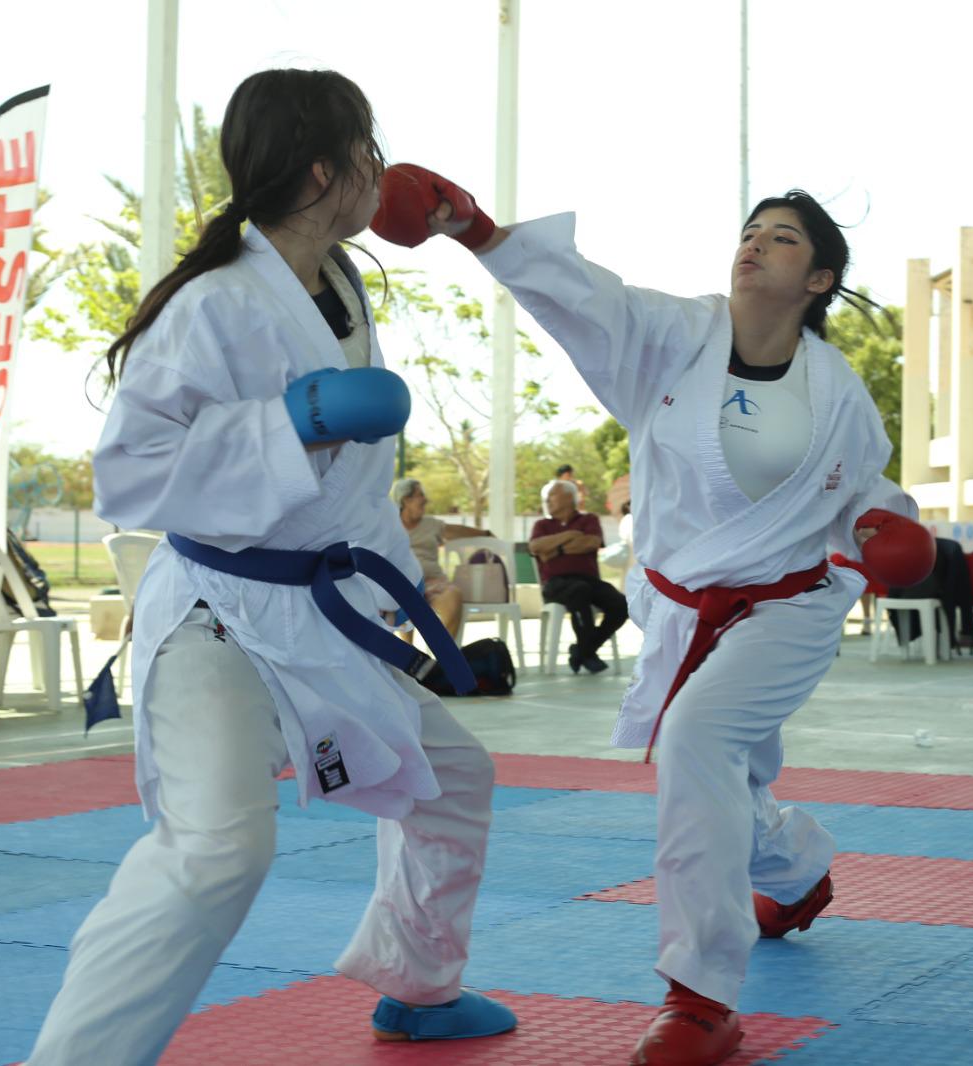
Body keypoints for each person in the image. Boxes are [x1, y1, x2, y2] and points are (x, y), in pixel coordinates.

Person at [373, 171, 933, 1065]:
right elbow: (590, 299)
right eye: (752, 229)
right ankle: (793, 875)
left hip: (789, 607)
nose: (756, 242)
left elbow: (865, 482)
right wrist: (478, 231)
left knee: (697, 744)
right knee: (728, 780)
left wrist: (885, 523)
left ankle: (701, 997)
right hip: (678, 607)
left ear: (819, 279)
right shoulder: (676, 339)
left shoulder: (839, 394)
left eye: (783, 237)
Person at [27, 71, 514, 1065]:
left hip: (317, 615)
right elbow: (130, 473)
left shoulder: (333, 281)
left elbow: (348, 499)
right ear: (327, 169)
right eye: (368, 152)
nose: (382, 173)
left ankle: (416, 984)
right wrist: (287, 425)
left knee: (454, 778)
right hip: (218, 617)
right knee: (217, 850)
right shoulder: (211, 303)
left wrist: (470, 227)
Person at [530, 478, 627, 673]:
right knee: (578, 591)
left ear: (568, 497)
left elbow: (591, 542)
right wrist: (572, 534)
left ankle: (582, 650)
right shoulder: (542, 524)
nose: (547, 500)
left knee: (621, 605)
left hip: (589, 580)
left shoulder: (589, 519)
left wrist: (555, 551)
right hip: (555, 583)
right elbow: (535, 546)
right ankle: (587, 654)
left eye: (552, 496)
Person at [390, 477, 491, 637]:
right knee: (403, 599)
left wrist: (485, 534)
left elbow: (457, 531)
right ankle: (410, 658)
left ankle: (443, 658)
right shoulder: (390, 526)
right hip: (403, 583)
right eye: (420, 495)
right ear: (406, 499)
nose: (425, 500)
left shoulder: (431, 524)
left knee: (453, 595)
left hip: (433, 581)